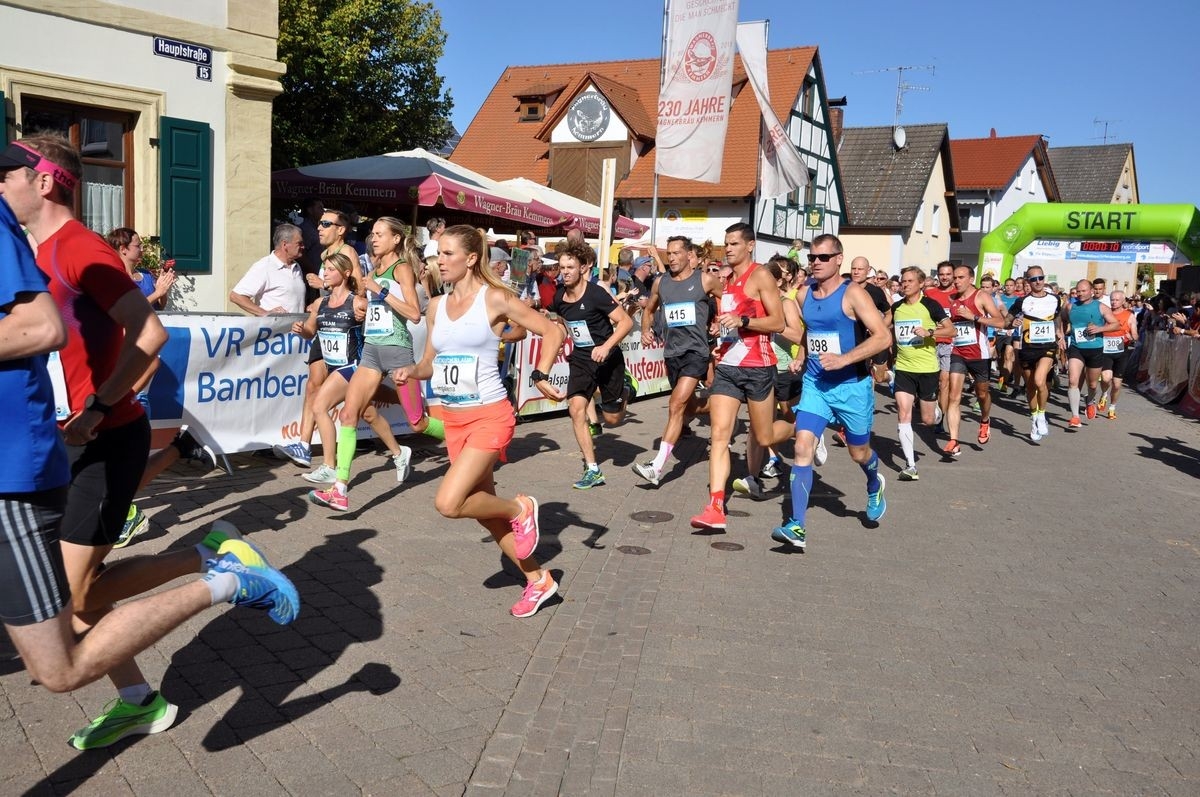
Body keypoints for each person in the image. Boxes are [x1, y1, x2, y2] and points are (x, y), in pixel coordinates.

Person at [0, 135, 299, 750]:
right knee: (76, 598)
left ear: (47, 181)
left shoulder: (79, 248)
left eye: (8, 175)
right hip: (68, 440)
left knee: (76, 595)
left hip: (104, 437)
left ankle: (214, 566)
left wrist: (100, 405)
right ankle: (141, 698)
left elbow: (151, 331)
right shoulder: (29, 252)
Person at [394, 224, 565, 617]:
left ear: (471, 258)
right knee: (485, 516)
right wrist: (410, 372)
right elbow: (430, 363)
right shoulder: (436, 306)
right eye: (438, 253)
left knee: (449, 503)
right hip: (454, 420)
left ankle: (520, 509)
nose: (440, 260)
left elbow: (551, 331)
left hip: (490, 415)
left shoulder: (496, 300)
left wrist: (540, 375)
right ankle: (540, 580)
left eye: (448, 253)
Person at [309, 217, 440, 512]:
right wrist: (363, 309)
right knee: (348, 415)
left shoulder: (402, 268)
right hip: (371, 350)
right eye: (373, 234)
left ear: (396, 239)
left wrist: (379, 292)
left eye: (380, 234)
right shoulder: (373, 269)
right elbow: (376, 308)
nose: (374, 239)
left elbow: (414, 313)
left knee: (417, 423)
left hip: (397, 349)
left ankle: (460, 435)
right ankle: (340, 489)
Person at [771, 234, 892, 549]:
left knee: (858, 453)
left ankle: (873, 481)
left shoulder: (853, 294)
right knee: (802, 448)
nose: (816, 263)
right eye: (812, 257)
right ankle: (797, 525)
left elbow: (882, 337)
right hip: (816, 385)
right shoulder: (803, 296)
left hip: (852, 387)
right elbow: (811, 332)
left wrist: (845, 359)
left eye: (823, 257)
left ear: (839, 258)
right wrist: (800, 357)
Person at [690, 223, 793, 531]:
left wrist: (743, 319)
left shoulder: (760, 275)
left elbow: (777, 322)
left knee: (764, 437)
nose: (729, 247)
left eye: (735, 243)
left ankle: (803, 428)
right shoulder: (728, 280)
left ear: (750, 245)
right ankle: (715, 506)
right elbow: (731, 324)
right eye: (726, 242)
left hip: (758, 368)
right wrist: (721, 332)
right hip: (728, 368)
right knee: (719, 436)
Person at [632, 235, 721, 485]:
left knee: (675, 405)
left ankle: (657, 466)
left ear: (688, 255)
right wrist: (645, 331)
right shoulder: (661, 283)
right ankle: (719, 405)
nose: (670, 257)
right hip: (672, 353)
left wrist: (719, 324)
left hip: (696, 352)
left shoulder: (704, 280)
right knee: (689, 407)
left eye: (675, 253)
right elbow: (649, 310)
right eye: (668, 253)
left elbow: (727, 299)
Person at [275, 209, 360, 467]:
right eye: (320, 223)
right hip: (324, 329)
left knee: (363, 408)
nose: (319, 228)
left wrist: (322, 290)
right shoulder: (326, 255)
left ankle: (399, 444)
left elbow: (358, 287)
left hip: (341, 331)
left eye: (325, 224)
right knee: (314, 386)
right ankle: (303, 444)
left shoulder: (347, 253)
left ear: (341, 229)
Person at [549, 242, 635, 489]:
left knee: (613, 419)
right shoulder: (559, 297)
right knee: (576, 408)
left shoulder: (596, 294)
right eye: (561, 267)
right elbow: (564, 324)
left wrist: (606, 346)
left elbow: (626, 322)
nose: (564, 272)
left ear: (583, 268)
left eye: (570, 267)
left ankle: (626, 389)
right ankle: (593, 469)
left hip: (607, 358)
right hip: (581, 359)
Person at [890, 266, 953, 480]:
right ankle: (910, 465)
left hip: (927, 369)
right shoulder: (897, 307)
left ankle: (936, 412)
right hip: (904, 368)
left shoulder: (930, 305)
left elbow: (951, 330)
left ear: (920, 283)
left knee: (927, 420)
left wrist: (930, 332)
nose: (905, 284)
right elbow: (881, 327)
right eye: (902, 281)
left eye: (909, 281)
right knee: (903, 413)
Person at [941, 265, 1006, 455]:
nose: (956, 281)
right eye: (955, 278)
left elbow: (1001, 322)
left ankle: (985, 420)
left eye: (961, 277)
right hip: (958, 352)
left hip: (979, 354)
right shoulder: (951, 299)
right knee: (954, 396)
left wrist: (974, 317)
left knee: (982, 394)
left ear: (971, 279)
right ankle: (954, 440)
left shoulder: (981, 297)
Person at [1007, 266, 1063, 442]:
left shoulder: (1055, 299)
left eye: (1040, 278)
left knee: (1040, 380)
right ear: (1027, 282)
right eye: (1033, 279)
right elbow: (1007, 321)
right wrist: (1013, 322)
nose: (1038, 282)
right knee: (1031, 385)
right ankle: (1034, 418)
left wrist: (1059, 332)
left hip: (1047, 346)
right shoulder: (1021, 302)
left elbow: (1057, 317)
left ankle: (1041, 414)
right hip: (1027, 347)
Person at [1062, 278, 1120, 428]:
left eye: (1083, 291)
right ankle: (1075, 417)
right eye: (1078, 291)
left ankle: (1090, 400)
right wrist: (1060, 335)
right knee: (1073, 381)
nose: (1080, 294)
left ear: (1091, 291)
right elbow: (1060, 319)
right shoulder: (1070, 307)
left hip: (1095, 349)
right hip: (1076, 348)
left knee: (1093, 384)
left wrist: (1100, 329)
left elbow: (1115, 324)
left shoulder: (1101, 307)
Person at [229, 224, 307, 316]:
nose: (303, 247)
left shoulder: (296, 266)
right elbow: (236, 296)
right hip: (274, 329)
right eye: (299, 243)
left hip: (296, 329)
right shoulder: (265, 266)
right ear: (285, 244)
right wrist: (266, 314)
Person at [105, 227, 175, 310]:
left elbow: (160, 306)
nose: (142, 249)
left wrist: (162, 288)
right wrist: (158, 293)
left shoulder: (146, 274)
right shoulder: (116, 278)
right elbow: (131, 309)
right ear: (123, 249)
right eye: (138, 246)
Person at [849, 256, 893, 386]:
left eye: (860, 269)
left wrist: (878, 329)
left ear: (868, 271)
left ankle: (889, 376)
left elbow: (889, 314)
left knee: (879, 377)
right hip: (853, 340)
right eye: (853, 268)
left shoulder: (875, 291)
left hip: (873, 338)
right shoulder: (844, 289)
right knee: (862, 378)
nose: (856, 272)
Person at [924, 261, 956, 432]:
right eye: (941, 274)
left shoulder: (959, 294)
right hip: (931, 342)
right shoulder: (929, 293)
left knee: (944, 381)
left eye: (948, 274)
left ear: (953, 275)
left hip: (950, 344)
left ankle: (941, 419)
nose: (944, 277)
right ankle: (931, 405)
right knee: (931, 381)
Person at [1096, 290, 1138, 420]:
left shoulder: (1129, 315)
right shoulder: (1105, 313)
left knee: (1117, 384)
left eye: (1117, 300)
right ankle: (1104, 394)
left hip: (1121, 352)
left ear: (1123, 301)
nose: (1114, 302)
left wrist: (1131, 337)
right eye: (1112, 300)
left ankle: (1112, 407)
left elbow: (1136, 335)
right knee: (1105, 378)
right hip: (1106, 350)